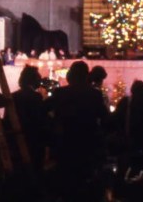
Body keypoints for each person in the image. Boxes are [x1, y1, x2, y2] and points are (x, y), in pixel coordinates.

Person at [45, 60, 109, 201]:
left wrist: (54, 127)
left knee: (67, 182)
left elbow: (43, 110)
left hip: (65, 143)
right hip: (87, 143)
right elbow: (105, 119)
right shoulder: (94, 95)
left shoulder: (60, 93)